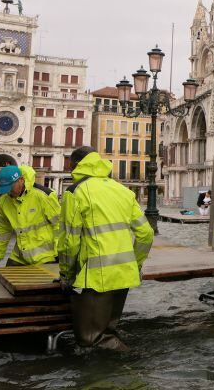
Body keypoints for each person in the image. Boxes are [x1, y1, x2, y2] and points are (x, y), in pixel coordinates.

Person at [58, 146, 154, 350]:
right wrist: (135, 264)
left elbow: (69, 241)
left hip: (95, 277)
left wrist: (66, 274)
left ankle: (128, 367)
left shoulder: (75, 192)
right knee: (108, 332)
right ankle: (123, 373)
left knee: (91, 339)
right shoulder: (122, 190)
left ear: (75, 165)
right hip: (124, 274)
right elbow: (146, 234)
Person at [0, 164, 60, 273]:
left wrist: (60, 254)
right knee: (5, 282)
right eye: (5, 189)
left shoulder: (44, 196)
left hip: (46, 256)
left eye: (10, 188)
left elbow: (59, 226)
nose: (8, 192)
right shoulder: (3, 199)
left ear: (21, 180)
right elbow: (2, 230)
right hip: (20, 256)